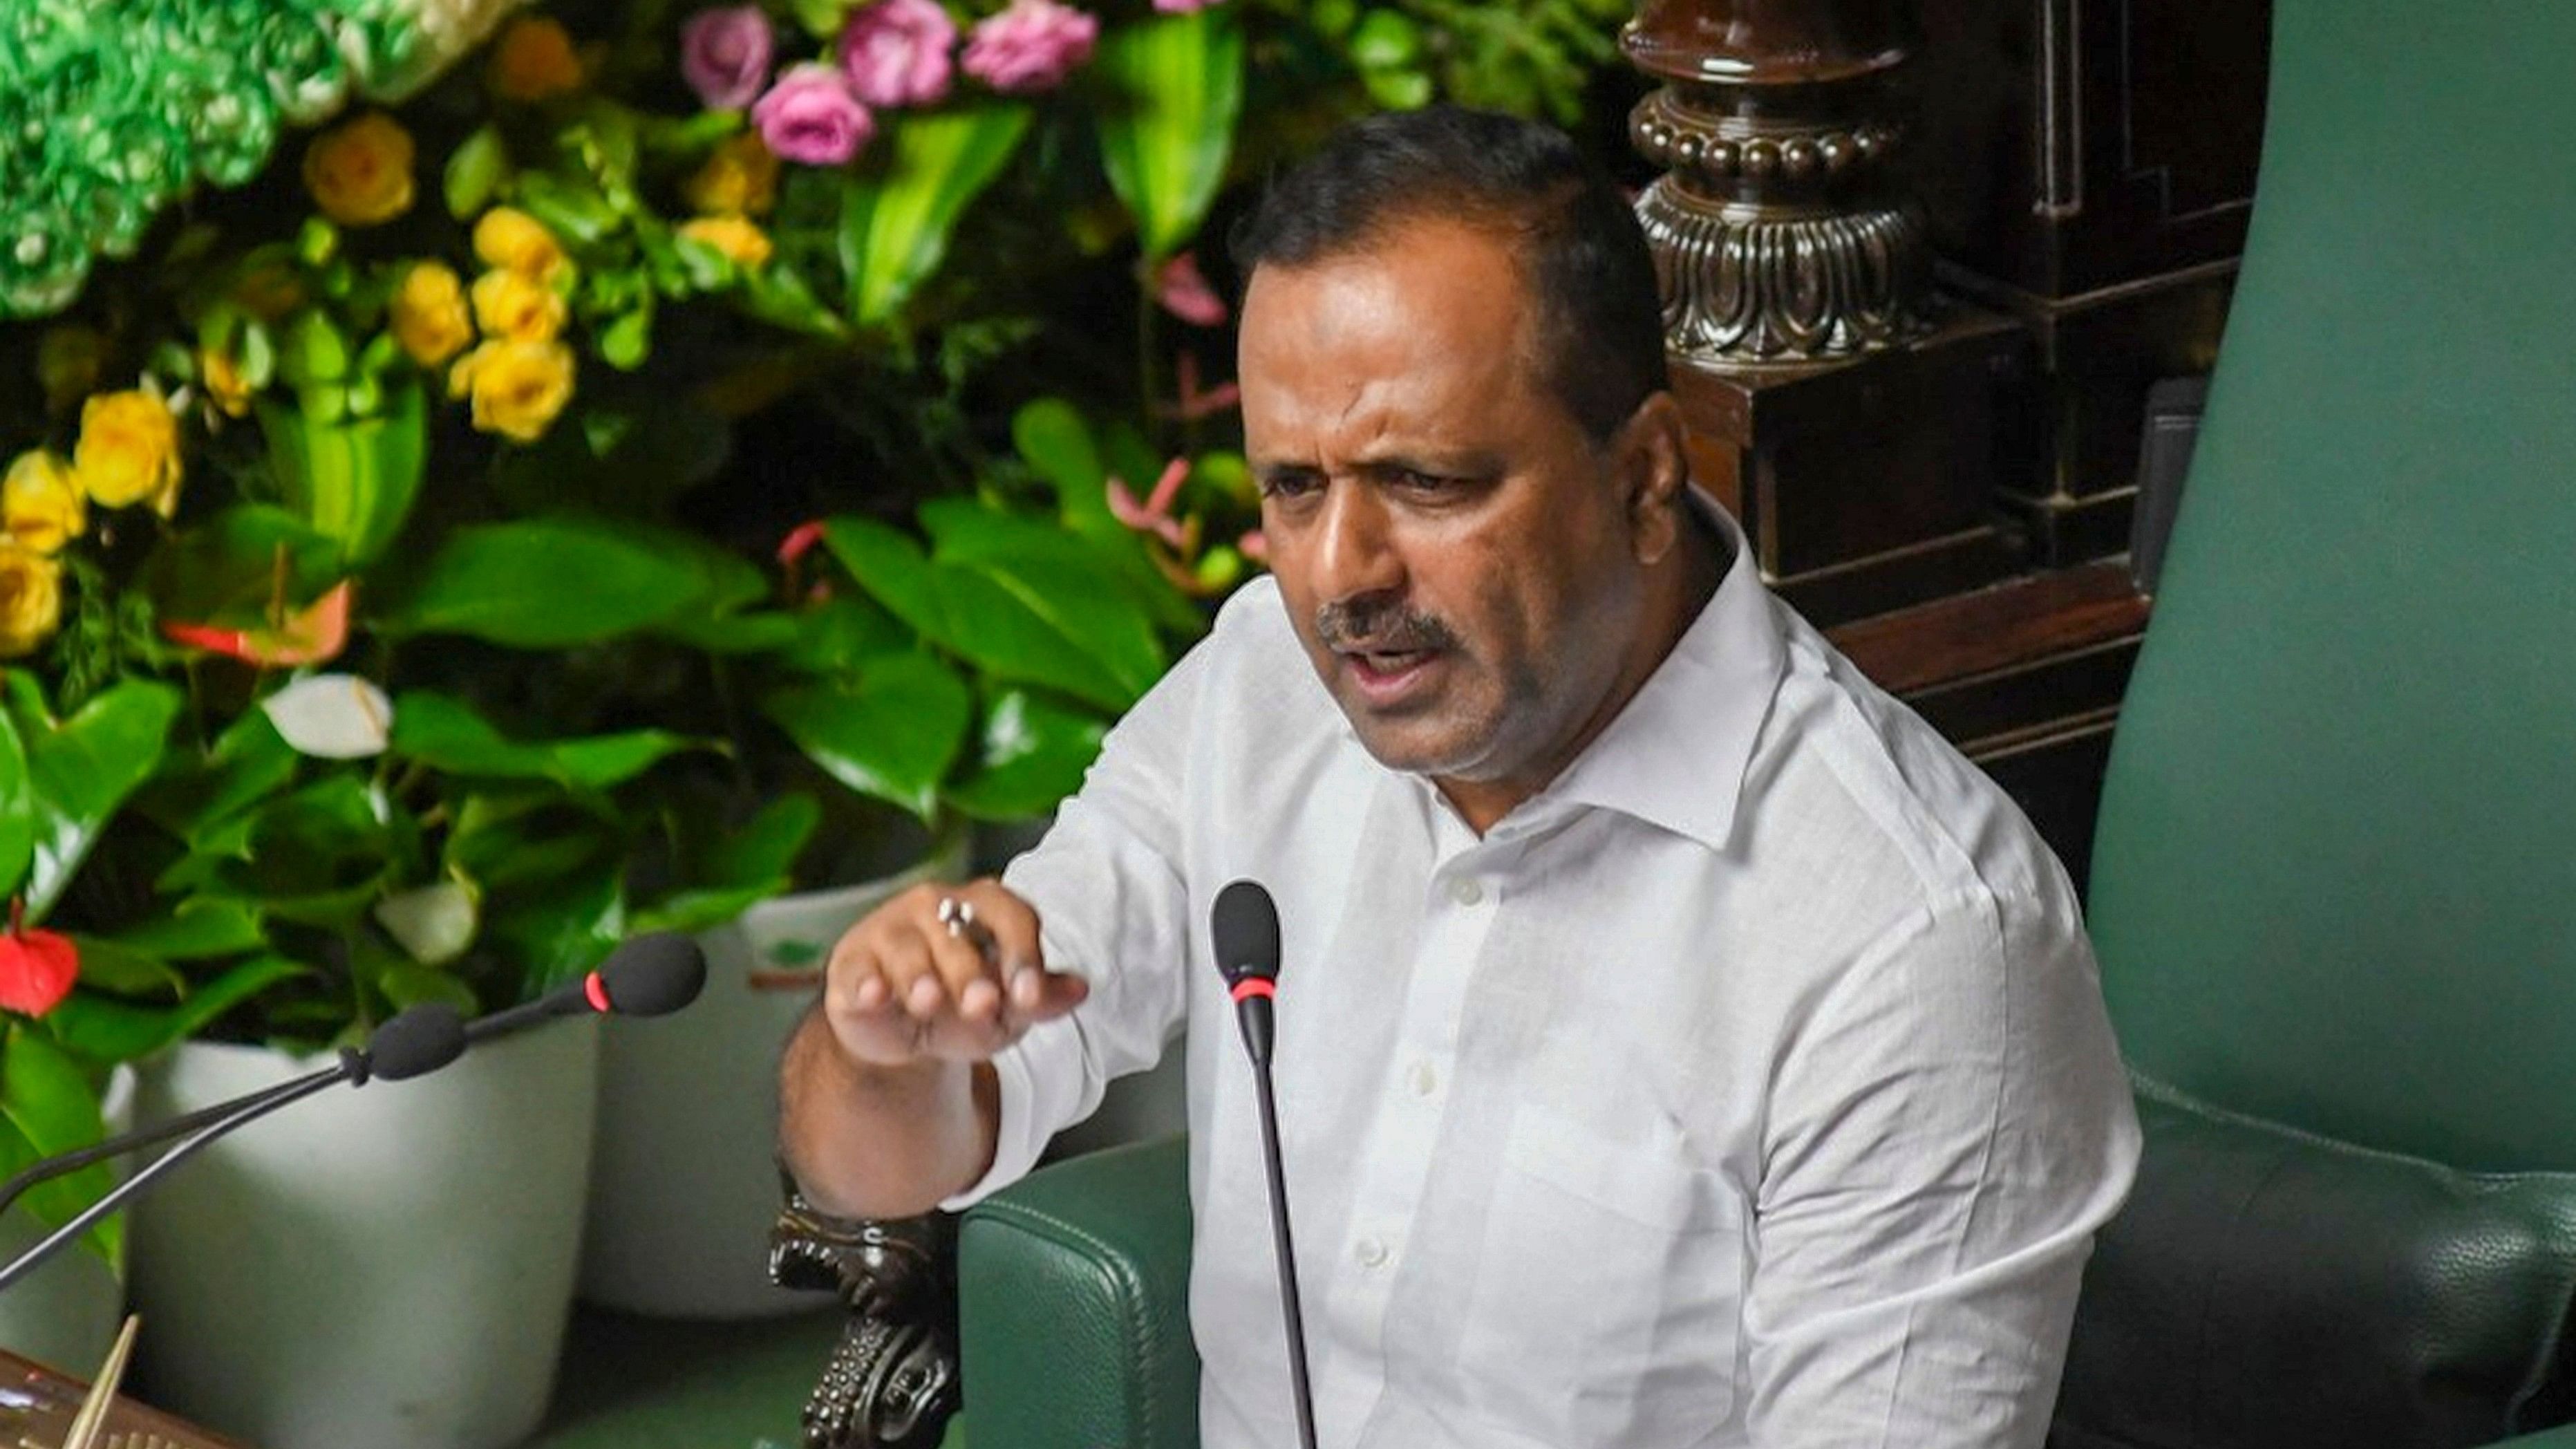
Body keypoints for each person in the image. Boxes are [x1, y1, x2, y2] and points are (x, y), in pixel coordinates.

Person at [780, 105, 2140, 1448]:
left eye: (1425, 482)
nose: (1341, 578)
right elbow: (891, 1150)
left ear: (1647, 475)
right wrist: (883, 1047)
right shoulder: (1260, 682)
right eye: (1294, 490)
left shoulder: (1915, 945)